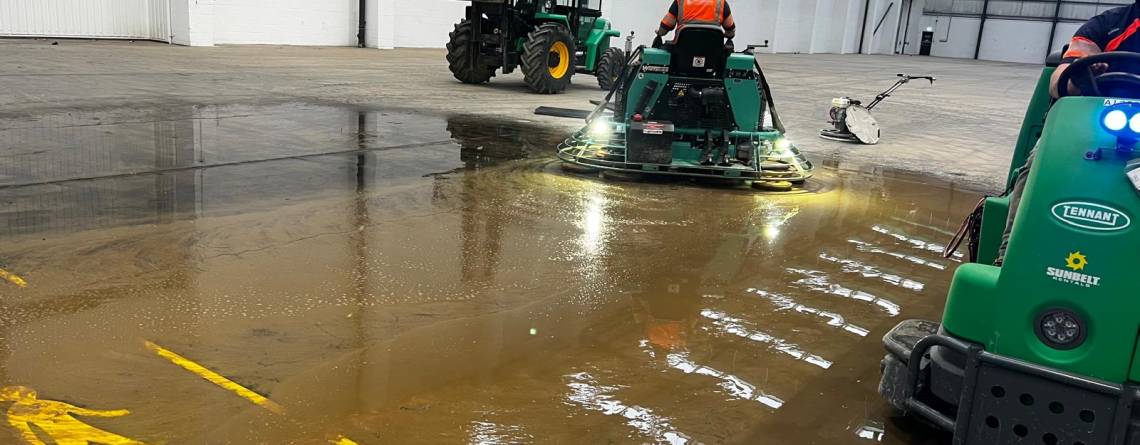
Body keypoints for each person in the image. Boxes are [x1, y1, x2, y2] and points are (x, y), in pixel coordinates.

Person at [999, 2, 1140, 264]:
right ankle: (1009, 255)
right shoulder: (1108, 26)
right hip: (1088, 125)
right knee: (1039, 161)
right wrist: (1078, 74)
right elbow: (1057, 82)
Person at [653, 0, 737, 47]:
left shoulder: (680, 1)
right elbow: (730, 29)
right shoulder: (721, 3)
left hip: (681, 52)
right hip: (712, 57)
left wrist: (660, 33)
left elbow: (667, 24)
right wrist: (727, 35)